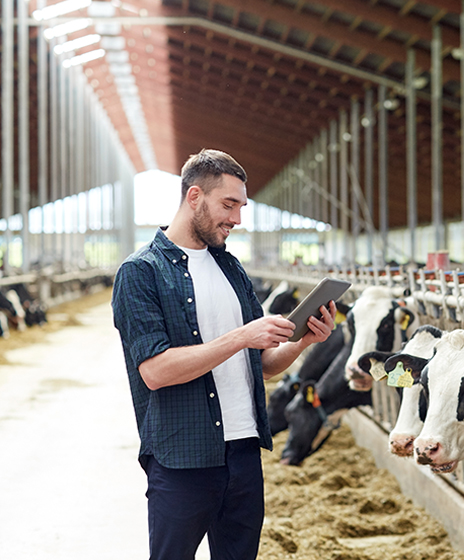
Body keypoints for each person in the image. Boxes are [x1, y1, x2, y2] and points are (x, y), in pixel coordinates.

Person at [111, 149, 337, 560]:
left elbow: (262, 367)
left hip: (244, 451)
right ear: (194, 197)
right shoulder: (141, 272)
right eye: (228, 205)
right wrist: (238, 337)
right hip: (183, 458)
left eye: (241, 207)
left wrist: (303, 342)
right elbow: (156, 372)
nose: (236, 218)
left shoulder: (231, 269)